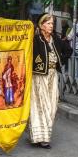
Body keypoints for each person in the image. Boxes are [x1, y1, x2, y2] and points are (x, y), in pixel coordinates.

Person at [29, 13, 68, 149]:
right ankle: (40, 138)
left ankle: (43, 135)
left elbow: (68, 50)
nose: (51, 26)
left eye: (52, 23)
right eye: (49, 23)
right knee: (40, 106)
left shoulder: (56, 39)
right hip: (38, 77)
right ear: (41, 25)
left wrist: (60, 61)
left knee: (51, 106)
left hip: (52, 76)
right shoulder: (35, 40)